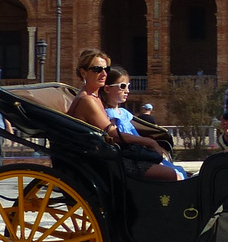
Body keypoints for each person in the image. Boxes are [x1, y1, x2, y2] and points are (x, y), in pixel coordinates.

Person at [67, 48, 177, 182]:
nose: (103, 74)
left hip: (110, 156)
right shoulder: (87, 100)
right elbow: (113, 134)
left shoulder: (94, 97)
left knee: (170, 169)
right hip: (106, 162)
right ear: (83, 73)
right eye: (97, 69)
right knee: (171, 174)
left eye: (106, 70)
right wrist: (149, 142)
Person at [101, 65, 187, 180]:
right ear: (107, 89)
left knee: (179, 170)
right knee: (173, 175)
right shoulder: (109, 114)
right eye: (122, 86)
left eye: (128, 86)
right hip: (128, 158)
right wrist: (149, 142)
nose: (127, 90)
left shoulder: (123, 112)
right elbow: (116, 136)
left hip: (137, 153)